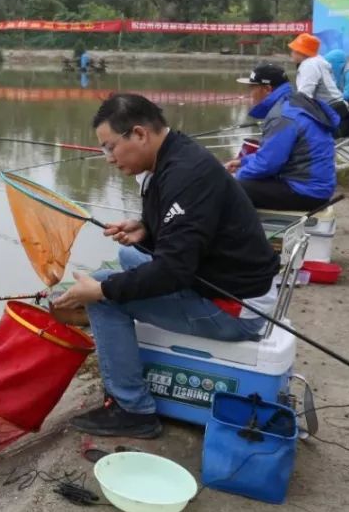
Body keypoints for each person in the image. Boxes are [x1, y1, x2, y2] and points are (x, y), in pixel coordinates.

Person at [49, 94, 280, 438]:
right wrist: (146, 230)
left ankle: (133, 409)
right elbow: (191, 233)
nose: (109, 158)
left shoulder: (184, 174)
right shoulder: (173, 157)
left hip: (235, 307)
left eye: (111, 147)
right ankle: (106, 322)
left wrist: (101, 291)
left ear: (139, 134)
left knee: (105, 296)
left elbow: (174, 271)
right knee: (128, 258)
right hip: (226, 280)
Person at [226, 64, 339, 211]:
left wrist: (237, 175)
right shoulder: (293, 102)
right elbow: (272, 156)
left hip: (306, 192)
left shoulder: (282, 115)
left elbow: (268, 164)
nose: (250, 93)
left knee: (228, 187)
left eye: (253, 88)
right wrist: (243, 162)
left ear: (267, 89)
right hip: (315, 187)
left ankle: (239, 232)